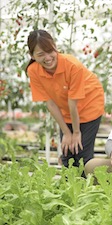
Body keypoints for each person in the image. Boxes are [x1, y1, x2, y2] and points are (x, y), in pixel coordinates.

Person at [25, 29, 105, 169]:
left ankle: (88, 189)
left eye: (50, 51)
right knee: (67, 154)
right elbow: (50, 104)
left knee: (82, 154)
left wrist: (76, 132)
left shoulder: (72, 65)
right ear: (32, 55)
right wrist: (67, 133)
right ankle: (70, 189)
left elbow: (72, 102)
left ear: (55, 47)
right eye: (41, 54)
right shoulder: (33, 71)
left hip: (90, 104)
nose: (48, 57)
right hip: (67, 110)